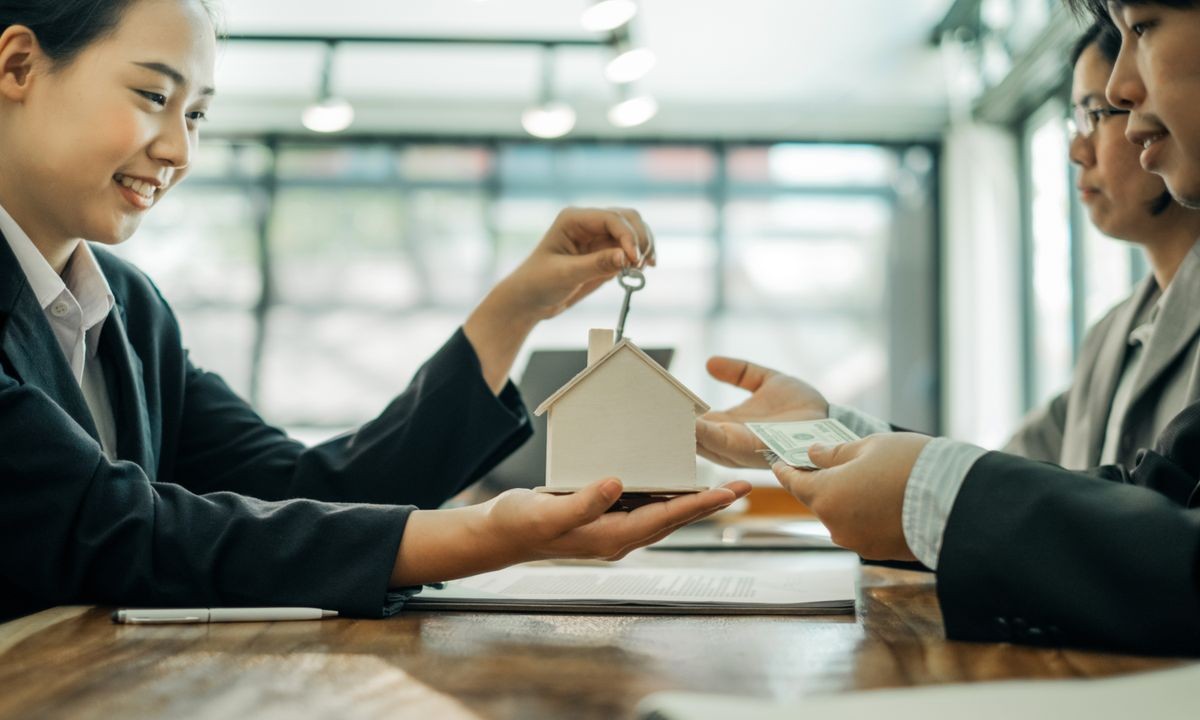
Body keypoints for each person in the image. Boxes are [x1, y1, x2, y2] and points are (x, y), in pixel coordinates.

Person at [0, 0, 750, 622]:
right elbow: (109, 527)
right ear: (18, 66)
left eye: (196, 114)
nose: (179, 150)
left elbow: (308, 488)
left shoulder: (129, 310)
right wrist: (485, 535)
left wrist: (514, 310)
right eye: (154, 97)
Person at [697, 8, 1200, 656]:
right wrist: (823, 431)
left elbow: (1139, 535)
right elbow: (1055, 486)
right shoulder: (1111, 334)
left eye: (1146, 26)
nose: (1126, 96)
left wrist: (924, 490)